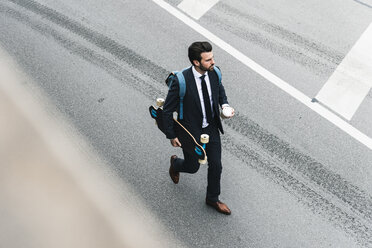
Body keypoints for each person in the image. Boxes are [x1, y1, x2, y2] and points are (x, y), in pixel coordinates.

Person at [163, 41, 234, 215]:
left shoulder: (214, 73)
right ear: (196, 62)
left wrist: (224, 104)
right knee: (193, 166)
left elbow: (220, 91)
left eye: (213, 57)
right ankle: (175, 164)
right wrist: (172, 135)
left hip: (211, 127)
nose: (213, 62)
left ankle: (212, 198)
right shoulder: (181, 82)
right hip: (190, 131)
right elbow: (167, 111)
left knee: (216, 165)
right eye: (208, 59)